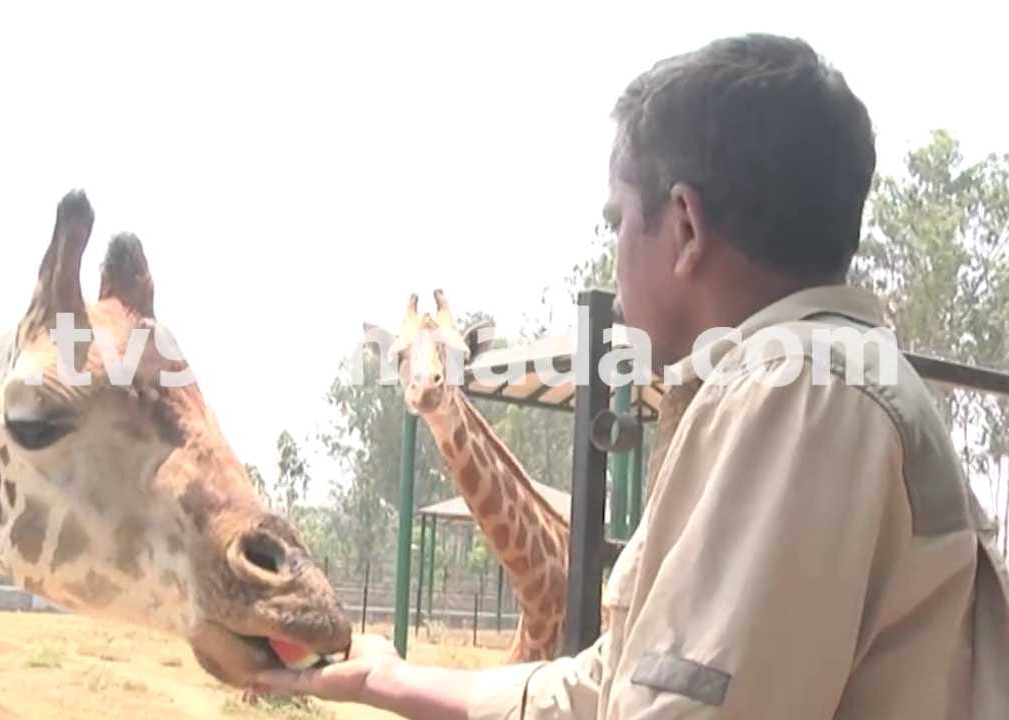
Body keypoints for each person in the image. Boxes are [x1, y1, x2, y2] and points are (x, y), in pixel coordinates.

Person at [251, 33, 1009, 719]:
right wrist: (387, 679)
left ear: (685, 227)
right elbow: (605, 688)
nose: (614, 258)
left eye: (617, 221)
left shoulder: (799, 391)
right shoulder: (810, 383)